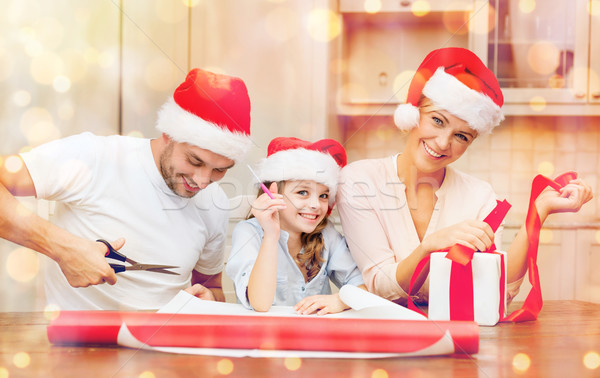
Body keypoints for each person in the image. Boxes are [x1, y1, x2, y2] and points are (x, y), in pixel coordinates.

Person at [336, 47, 593, 306]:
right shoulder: (359, 182)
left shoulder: (479, 196)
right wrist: (430, 246)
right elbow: (382, 287)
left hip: (457, 334)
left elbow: (498, 289)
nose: (443, 143)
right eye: (437, 120)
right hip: (383, 332)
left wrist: (540, 209)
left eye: (461, 136)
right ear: (415, 114)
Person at [0, 68, 253, 310]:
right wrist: (62, 248)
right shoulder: (94, 157)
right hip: (77, 346)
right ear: (168, 134)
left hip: (165, 348)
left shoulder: (214, 203)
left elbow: (210, 286)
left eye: (220, 170)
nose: (203, 181)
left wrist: (209, 299)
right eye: (194, 161)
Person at [226, 137, 365, 315]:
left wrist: (339, 300)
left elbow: (363, 285)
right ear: (272, 194)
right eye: (302, 192)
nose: (316, 204)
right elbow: (260, 304)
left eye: (323, 195)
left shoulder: (326, 234)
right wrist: (270, 235)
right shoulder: (248, 232)